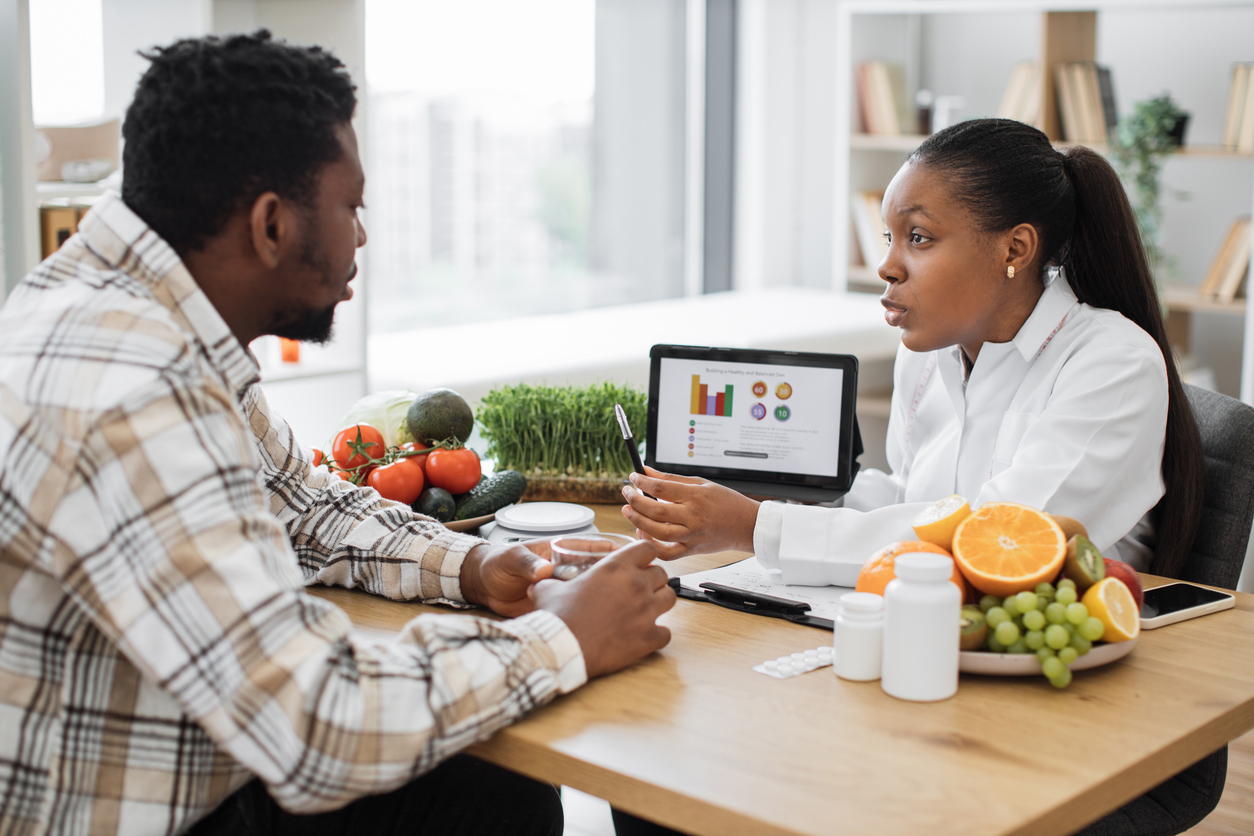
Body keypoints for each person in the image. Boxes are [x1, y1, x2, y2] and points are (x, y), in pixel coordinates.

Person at [0, 31, 677, 836]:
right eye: (351, 206)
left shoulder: (142, 317)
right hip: (132, 815)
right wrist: (562, 636)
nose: (361, 236)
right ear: (271, 224)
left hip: (196, 766)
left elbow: (304, 507)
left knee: (485, 785)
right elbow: (314, 719)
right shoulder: (130, 381)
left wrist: (479, 565)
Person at [622, 118, 1204, 587]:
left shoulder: (1114, 363)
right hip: (932, 627)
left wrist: (756, 526)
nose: (887, 266)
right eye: (888, 238)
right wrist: (781, 493)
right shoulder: (930, 353)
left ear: (1016, 248)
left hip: (1065, 670)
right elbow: (914, 500)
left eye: (918, 238)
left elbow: (996, 544)